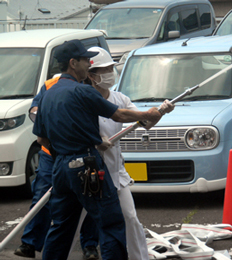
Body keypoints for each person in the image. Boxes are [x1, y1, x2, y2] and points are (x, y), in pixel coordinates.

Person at [32, 39, 173, 260]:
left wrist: (64, 156)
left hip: (61, 169)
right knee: (111, 222)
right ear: (72, 63)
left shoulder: (48, 95)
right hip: (87, 166)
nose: (88, 64)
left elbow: (42, 139)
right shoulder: (83, 92)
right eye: (84, 60)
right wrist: (147, 115)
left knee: (60, 227)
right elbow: (119, 115)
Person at [86, 46, 159, 260]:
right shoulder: (84, 98)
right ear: (91, 75)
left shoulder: (120, 99)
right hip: (90, 173)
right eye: (104, 69)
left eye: (111, 68)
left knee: (130, 217)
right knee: (76, 220)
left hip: (116, 173)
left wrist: (159, 112)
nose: (110, 72)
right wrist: (95, 141)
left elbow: (144, 121)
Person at [15, 77, 100, 260]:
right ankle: (30, 243)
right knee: (42, 196)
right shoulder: (50, 85)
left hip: (79, 152)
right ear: (72, 62)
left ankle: (90, 246)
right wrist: (46, 115)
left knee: (89, 193)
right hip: (50, 152)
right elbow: (34, 110)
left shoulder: (90, 84)